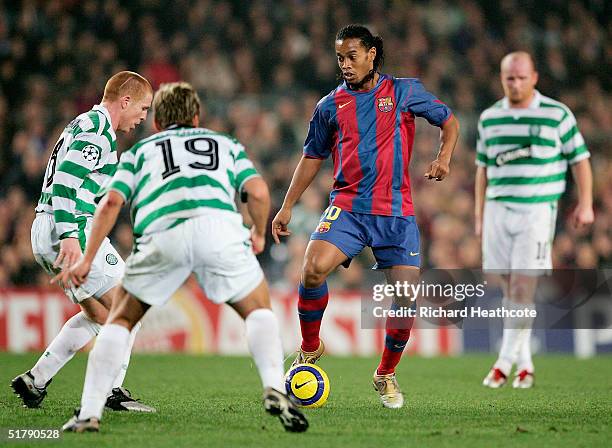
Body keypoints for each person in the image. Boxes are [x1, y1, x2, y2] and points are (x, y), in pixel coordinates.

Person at [54, 82, 308, 433]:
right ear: (196, 116)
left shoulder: (140, 151)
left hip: (162, 234)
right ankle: (275, 388)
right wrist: (259, 233)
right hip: (219, 230)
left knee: (121, 320)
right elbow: (259, 191)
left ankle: (89, 414)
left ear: (157, 121)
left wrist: (86, 258)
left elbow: (111, 203)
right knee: (258, 309)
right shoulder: (226, 144)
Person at [271, 24, 459, 409]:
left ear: (372, 54)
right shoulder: (329, 105)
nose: (344, 64)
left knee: (406, 298)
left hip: (395, 211)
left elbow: (449, 121)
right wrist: (288, 204)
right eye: (339, 57)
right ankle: (309, 347)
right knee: (310, 269)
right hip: (349, 206)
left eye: (351, 56)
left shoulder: (404, 91)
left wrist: (443, 157)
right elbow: (312, 157)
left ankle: (385, 374)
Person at [11, 71, 155, 412]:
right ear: (125, 100)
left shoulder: (83, 123)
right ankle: (110, 391)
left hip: (48, 228)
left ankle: (35, 381)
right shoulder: (98, 130)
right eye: (143, 108)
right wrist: (70, 237)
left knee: (97, 314)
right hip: (70, 228)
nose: (143, 117)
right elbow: (65, 183)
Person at [475, 52, 594, 388]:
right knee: (508, 286)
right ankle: (525, 362)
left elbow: (580, 160)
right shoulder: (489, 118)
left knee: (524, 286)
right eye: (509, 78)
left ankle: (504, 361)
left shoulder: (557, 115)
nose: (515, 84)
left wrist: (586, 203)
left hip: (536, 209)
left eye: (521, 78)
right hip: (498, 208)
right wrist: (479, 214)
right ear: (501, 78)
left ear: (535, 77)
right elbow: (483, 169)